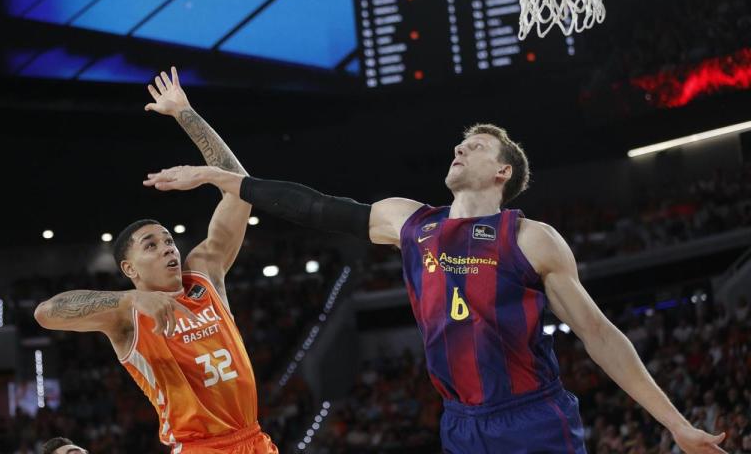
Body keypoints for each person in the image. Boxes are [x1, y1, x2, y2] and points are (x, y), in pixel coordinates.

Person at [145, 123, 727, 454]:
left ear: (502, 172)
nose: (459, 148)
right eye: (460, 143)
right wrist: (220, 178)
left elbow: (600, 335)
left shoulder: (531, 238)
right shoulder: (411, 221)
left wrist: (676, 423)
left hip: (530, 416)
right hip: (459, 422)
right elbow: (313, 206)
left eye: (475, 146)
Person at [35, 68, 279, 454]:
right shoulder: (126, 315)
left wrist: (185, 114)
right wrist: (132, 299)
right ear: (129, 269)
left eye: (168, 240)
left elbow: (240, 189)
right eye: (151, 245)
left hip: (254, 440)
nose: (168, 248)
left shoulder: (204, 273)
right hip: (200, 448)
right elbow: (46, 312)